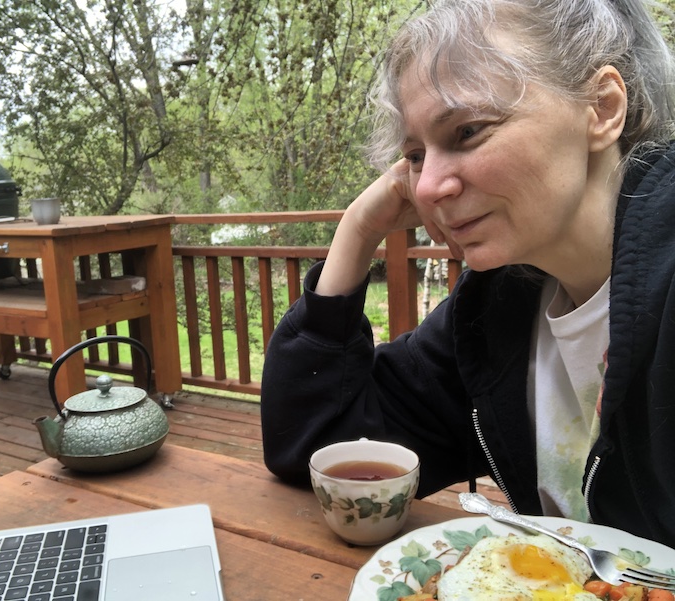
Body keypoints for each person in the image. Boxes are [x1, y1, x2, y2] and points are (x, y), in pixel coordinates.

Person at [259, 0, 675, 548]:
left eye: (468, 131)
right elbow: (324, 452)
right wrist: (358, 230)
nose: (427, 187)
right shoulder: (500, 307)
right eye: (413, 155)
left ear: (601, 108)